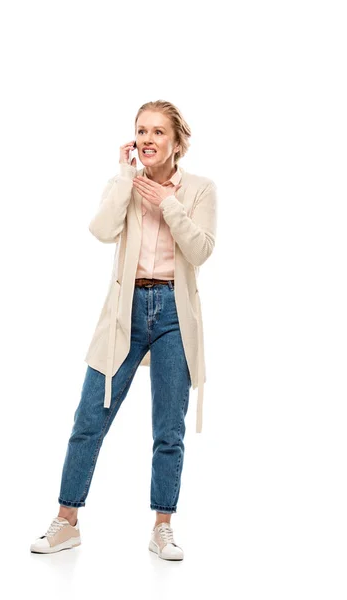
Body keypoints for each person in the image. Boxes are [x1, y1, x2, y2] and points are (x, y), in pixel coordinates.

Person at [30, 100, 218, 560]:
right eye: (141, 131)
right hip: (126, 310)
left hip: (174, 312)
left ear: (177, 142)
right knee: (89, 419)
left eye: (157, 132)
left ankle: (162, 525)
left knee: (168, 428)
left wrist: (168, 204)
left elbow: (201, 251)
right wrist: (121, 175)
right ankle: (67, 521)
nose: (147, 140)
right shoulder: (126, 185)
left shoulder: (199, 189)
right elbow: (100, 229)